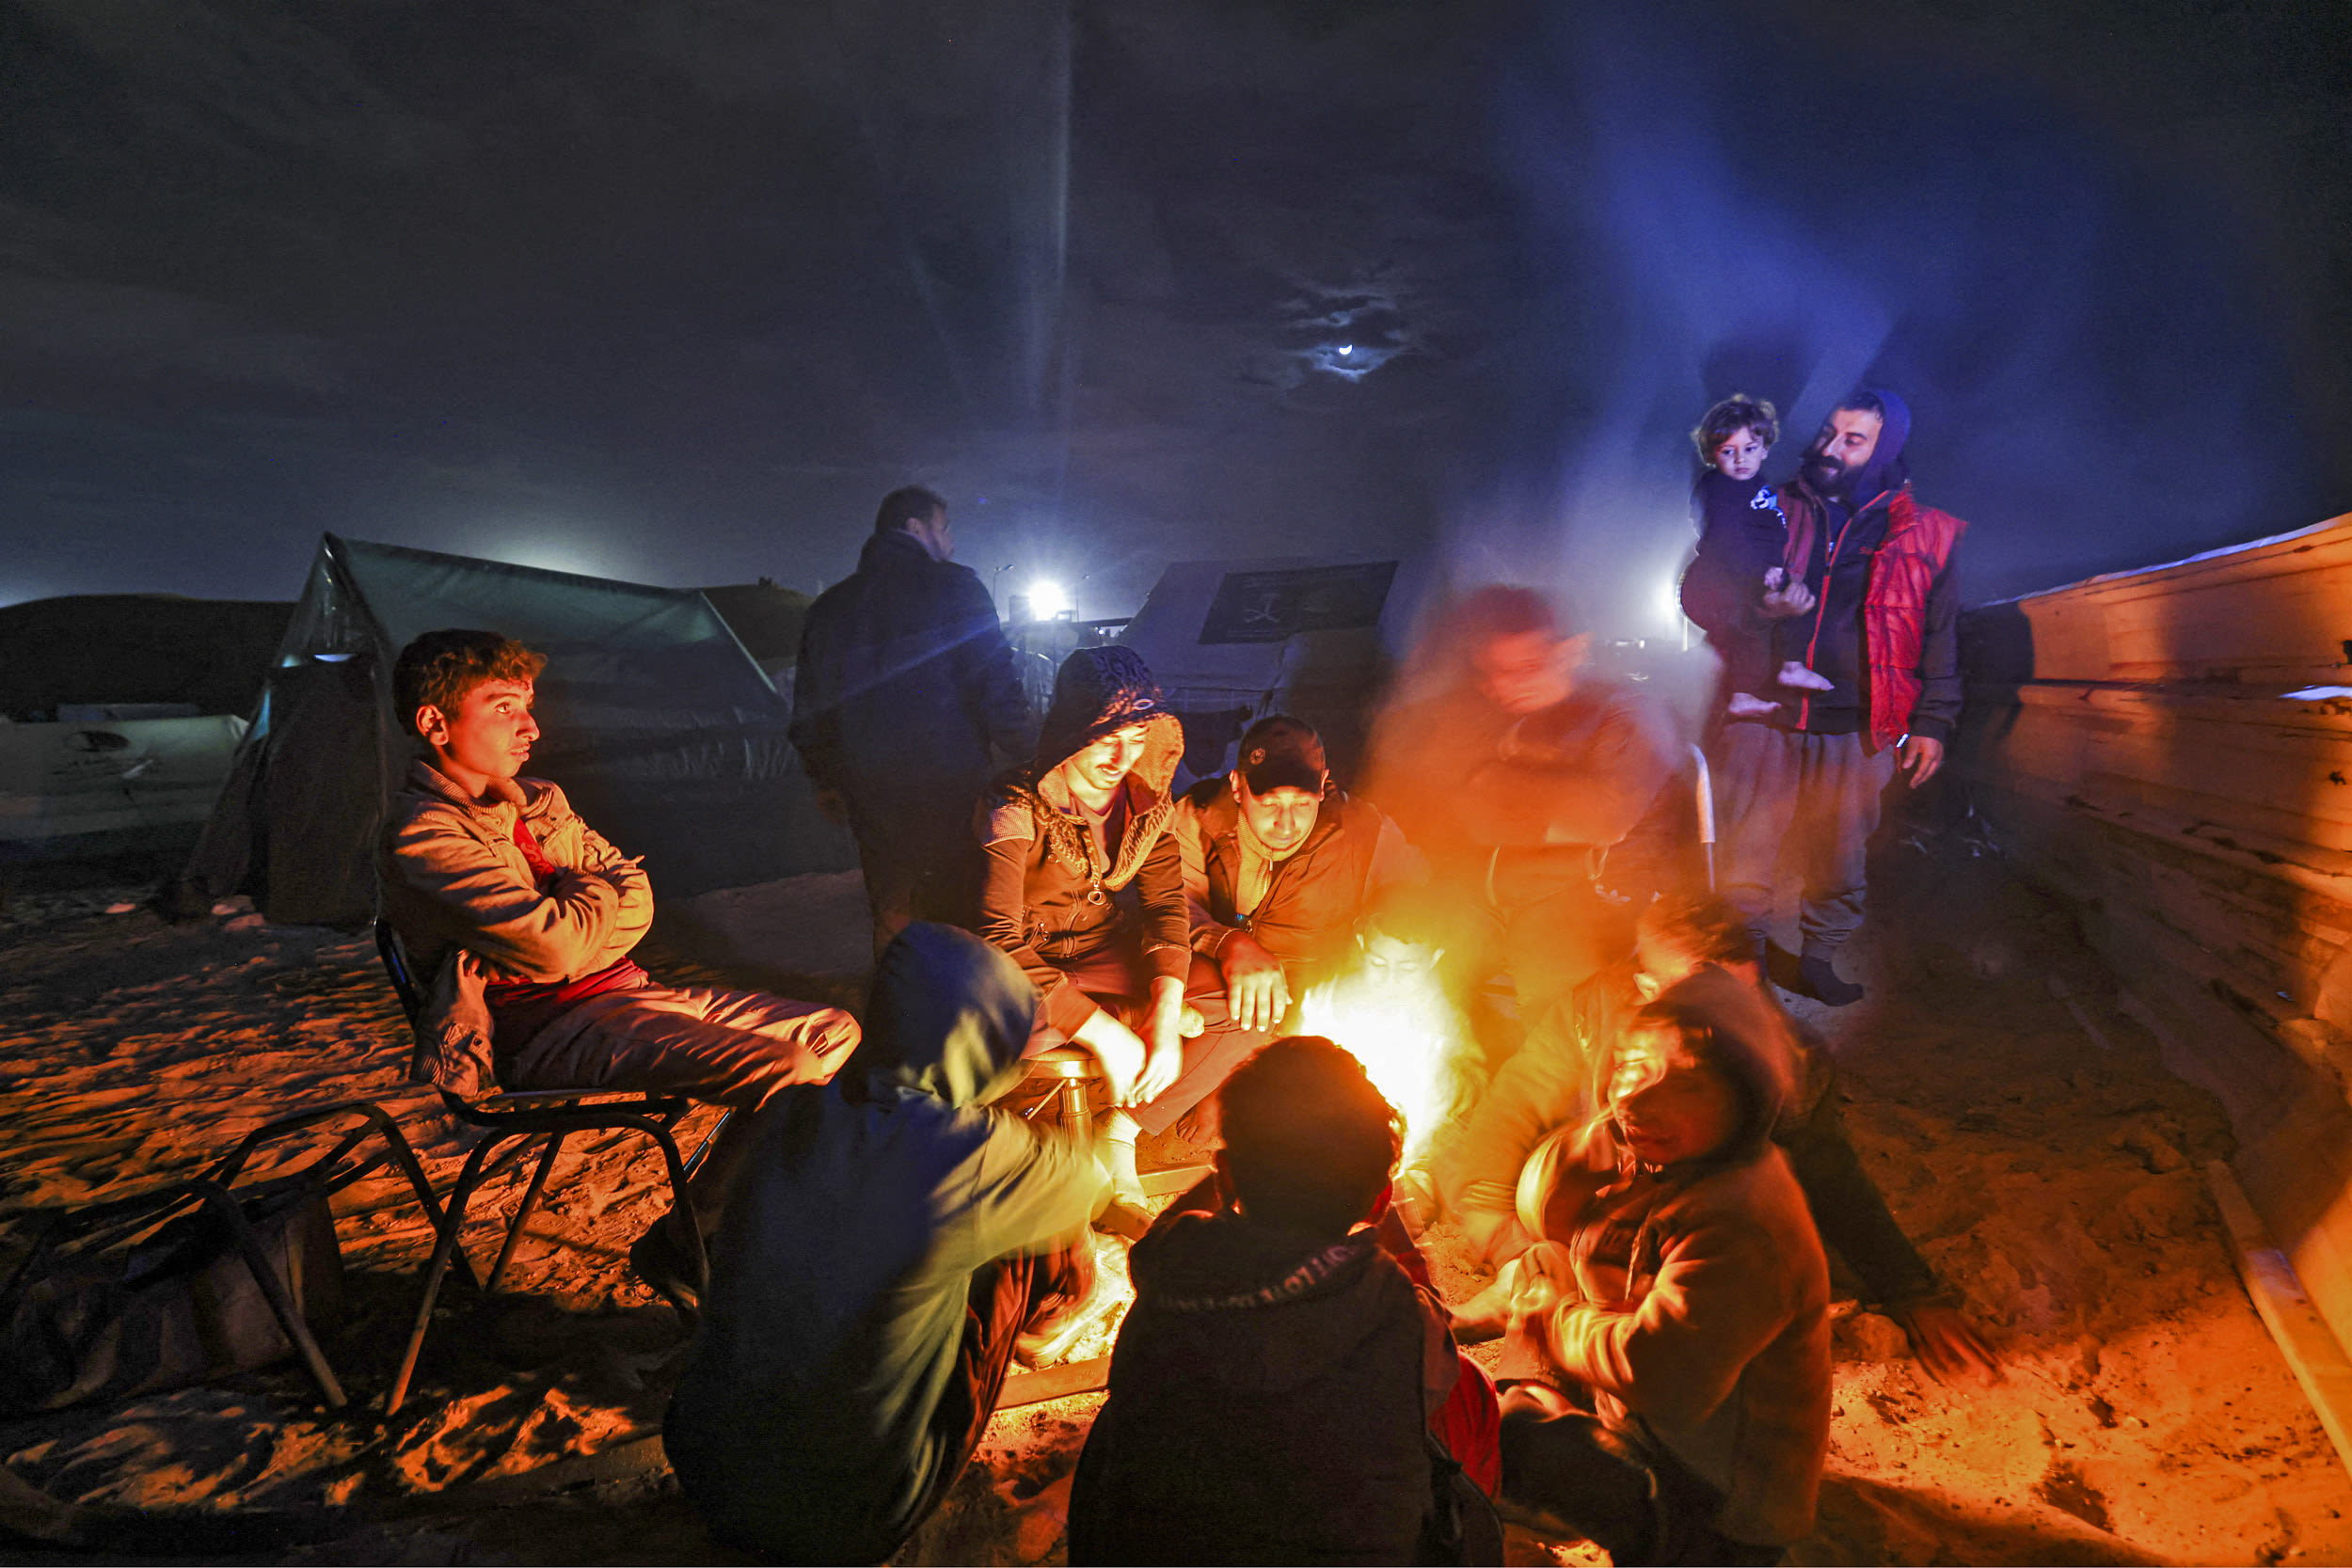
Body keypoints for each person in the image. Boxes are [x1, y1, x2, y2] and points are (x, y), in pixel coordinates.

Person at [375, 629, 860, 1307]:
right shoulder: (427, 834)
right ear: (434, 723)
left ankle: (711, 1228)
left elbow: (640, 905)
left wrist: (580, 915)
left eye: (527, 705)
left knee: (832, 1032)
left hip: (629, 994)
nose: (531, 726)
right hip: (549, 1030)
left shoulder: (542, 804)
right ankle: (698, 1247)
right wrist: (592, 898)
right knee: (786, 1071)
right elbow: (558, 947)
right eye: (504, 707)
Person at [664, 924, 1107, 1564]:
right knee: (1035, 1229)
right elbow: (1085, 1183)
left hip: (707, 1473)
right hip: (851, 1512)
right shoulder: (976, 1154)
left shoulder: (792, 1110)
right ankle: (1044, 1331)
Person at [1447, 892, 2001, 1386]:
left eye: (1745, 990)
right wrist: (1502, 1236)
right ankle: (1535, 1318)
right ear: (1647, 989)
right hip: (1614, 1205)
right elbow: (1515, 1103)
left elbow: (1830, 1171)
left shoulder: (1785, 1056)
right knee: (1552, 1176)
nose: (1740, 1015)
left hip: (1684, 1226)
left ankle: (1546, 1320)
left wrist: (1912, 1292)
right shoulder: (1594, 1011)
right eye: (1705, 996)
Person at [1068, 1036, 1502, 1566]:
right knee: (1470, 1397)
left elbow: (1169, 1228)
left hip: (1155, 1543)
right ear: (1382, 1199)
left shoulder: (1177, 1257)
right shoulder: (1385, 1295)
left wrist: (1240, 1168)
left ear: (1225, 1175)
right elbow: (1431, 1368)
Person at [1492, 969, 1831, 1565]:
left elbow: (1661, 1377)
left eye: (1692, 1086)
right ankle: (1554, 1422)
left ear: (1746, 1100)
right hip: (1648, 1428)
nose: (1639, 1099)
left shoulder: (1743, 1225)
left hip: (1712, 1504)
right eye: (1634, 1068)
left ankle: (1579, 1463)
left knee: (1512, 1437)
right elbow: (1546, 1215)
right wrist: (1603, 1139)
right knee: (1546, 1263)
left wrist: (1556, 1322)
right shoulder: (1679, 1161)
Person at [977, 645, 1248, 1218]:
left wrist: (1168, 1008)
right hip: (1017, 964)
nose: (1122, 754)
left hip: (1100, 947)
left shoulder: (1148, 802)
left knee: (1245, 1009)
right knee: (994, 1036)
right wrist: (1109, 1033)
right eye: (1105, 734)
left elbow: (1167, 906)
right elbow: (997, 937)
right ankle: (1108, 1034)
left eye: (1137, 733)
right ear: (1072, 727)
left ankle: (1119, 1130)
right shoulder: (1014, 803)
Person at [1714, 389, 1966, 1006]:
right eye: (1829, 432)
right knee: (1747, 847)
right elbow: (1708, 591)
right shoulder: (1768, 504)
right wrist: (1755, 606)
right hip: (1766, 715)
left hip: (1858, 723)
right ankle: (1740, 970)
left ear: (1886, 450)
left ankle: (1819, 960)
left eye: (1852, 440)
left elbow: (1940, 631)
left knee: (1840, 854)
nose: (1830, 448)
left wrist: (1933, 719)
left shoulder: (1926, 533)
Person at [1363, 585, 1677, 1061]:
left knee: (1557, 1014)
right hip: (1481, 892)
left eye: (1527, 668)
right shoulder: (1493, 714)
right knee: (1409, 952)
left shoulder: (1624, 715)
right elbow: (1446, 801)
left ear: (1572, 650)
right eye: (1495, 673)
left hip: (1577, 896)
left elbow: (1603, 818)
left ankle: (1565, 1108)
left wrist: (1495, 785)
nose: (1508, 685)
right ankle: (1452, 1077)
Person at [790, 485, 1034, 953]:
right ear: (915, 528)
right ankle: (959, 1008)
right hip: (950, 776)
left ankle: (897, 1004)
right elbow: (997, 681)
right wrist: (1028, 754)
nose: (951, 542)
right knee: (960, 895)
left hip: (868, 783)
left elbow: (810, 708)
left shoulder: (829, 609)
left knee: (891, 898)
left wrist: (824, 779)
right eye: (945, 528)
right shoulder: (959, 588)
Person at [1173, 713, 1426, 1031]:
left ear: (1322, 784)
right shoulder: (1198, 819)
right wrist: (1228, 943)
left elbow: (1417, 914)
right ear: (1237, 786)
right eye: (1270, 804)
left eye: (1302, 804)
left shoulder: (1366, 833)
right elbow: (1171, 906)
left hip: (1321, 1006)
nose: (1287, 824)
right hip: (1227, 999)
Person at [1677, 394, 1825, 719]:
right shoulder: (1721, 489)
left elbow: (1768, 534)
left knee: (1799, 603)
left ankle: (1791, 666)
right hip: (1713, 583)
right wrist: (1764, 572)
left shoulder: (1759, 486)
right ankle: (1741, 693)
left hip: (1751, 574)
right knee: (1749, 630)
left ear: (1765, 449)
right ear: (1713, 456)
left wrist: (1777, 570)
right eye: (1728, 452)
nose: (1740, 459)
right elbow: (1728, 541)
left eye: (1749, 449)